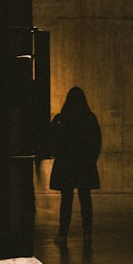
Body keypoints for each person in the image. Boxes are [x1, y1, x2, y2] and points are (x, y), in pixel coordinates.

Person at [49, 87, 101, 246]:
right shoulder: (89, 118)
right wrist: (91, 160)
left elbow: (53, 140)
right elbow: (96, 142)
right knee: (85, 199)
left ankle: (63, 234)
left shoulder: (61, 118)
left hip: (66, 165)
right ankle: (87, 233)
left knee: (66, 200)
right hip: (84, 165)